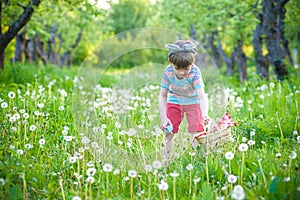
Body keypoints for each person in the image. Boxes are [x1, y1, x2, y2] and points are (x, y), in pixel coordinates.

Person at [158, 40, 210, 161]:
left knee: (197, 132)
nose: (182, 72)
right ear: (171, 63)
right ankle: (166, 161)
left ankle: (197, 160)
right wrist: (164, 118)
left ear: (192, 63)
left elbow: (201, 95)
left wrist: (205, 113)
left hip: (193, 102)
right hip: (174, 101)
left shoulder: (194, 73)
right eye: (178, 68)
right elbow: (162, 96)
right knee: (168, 132)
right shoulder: (168, 72)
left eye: (186, 68)